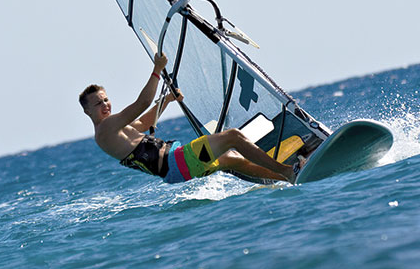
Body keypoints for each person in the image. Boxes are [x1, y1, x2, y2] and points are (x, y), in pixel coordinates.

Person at [79, 52, 298, 185]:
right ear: (88, 112)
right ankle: (286, 171)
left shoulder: (114, 130)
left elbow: (143, 123)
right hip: (179, 161)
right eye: (98, 103)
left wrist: (166, 100)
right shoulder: (105, 128)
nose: (105, 105)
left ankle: (284, 180)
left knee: (231, 158)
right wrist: (157, 70)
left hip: (178, 168)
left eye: (106, 100)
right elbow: (142, 104)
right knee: (233, 137)